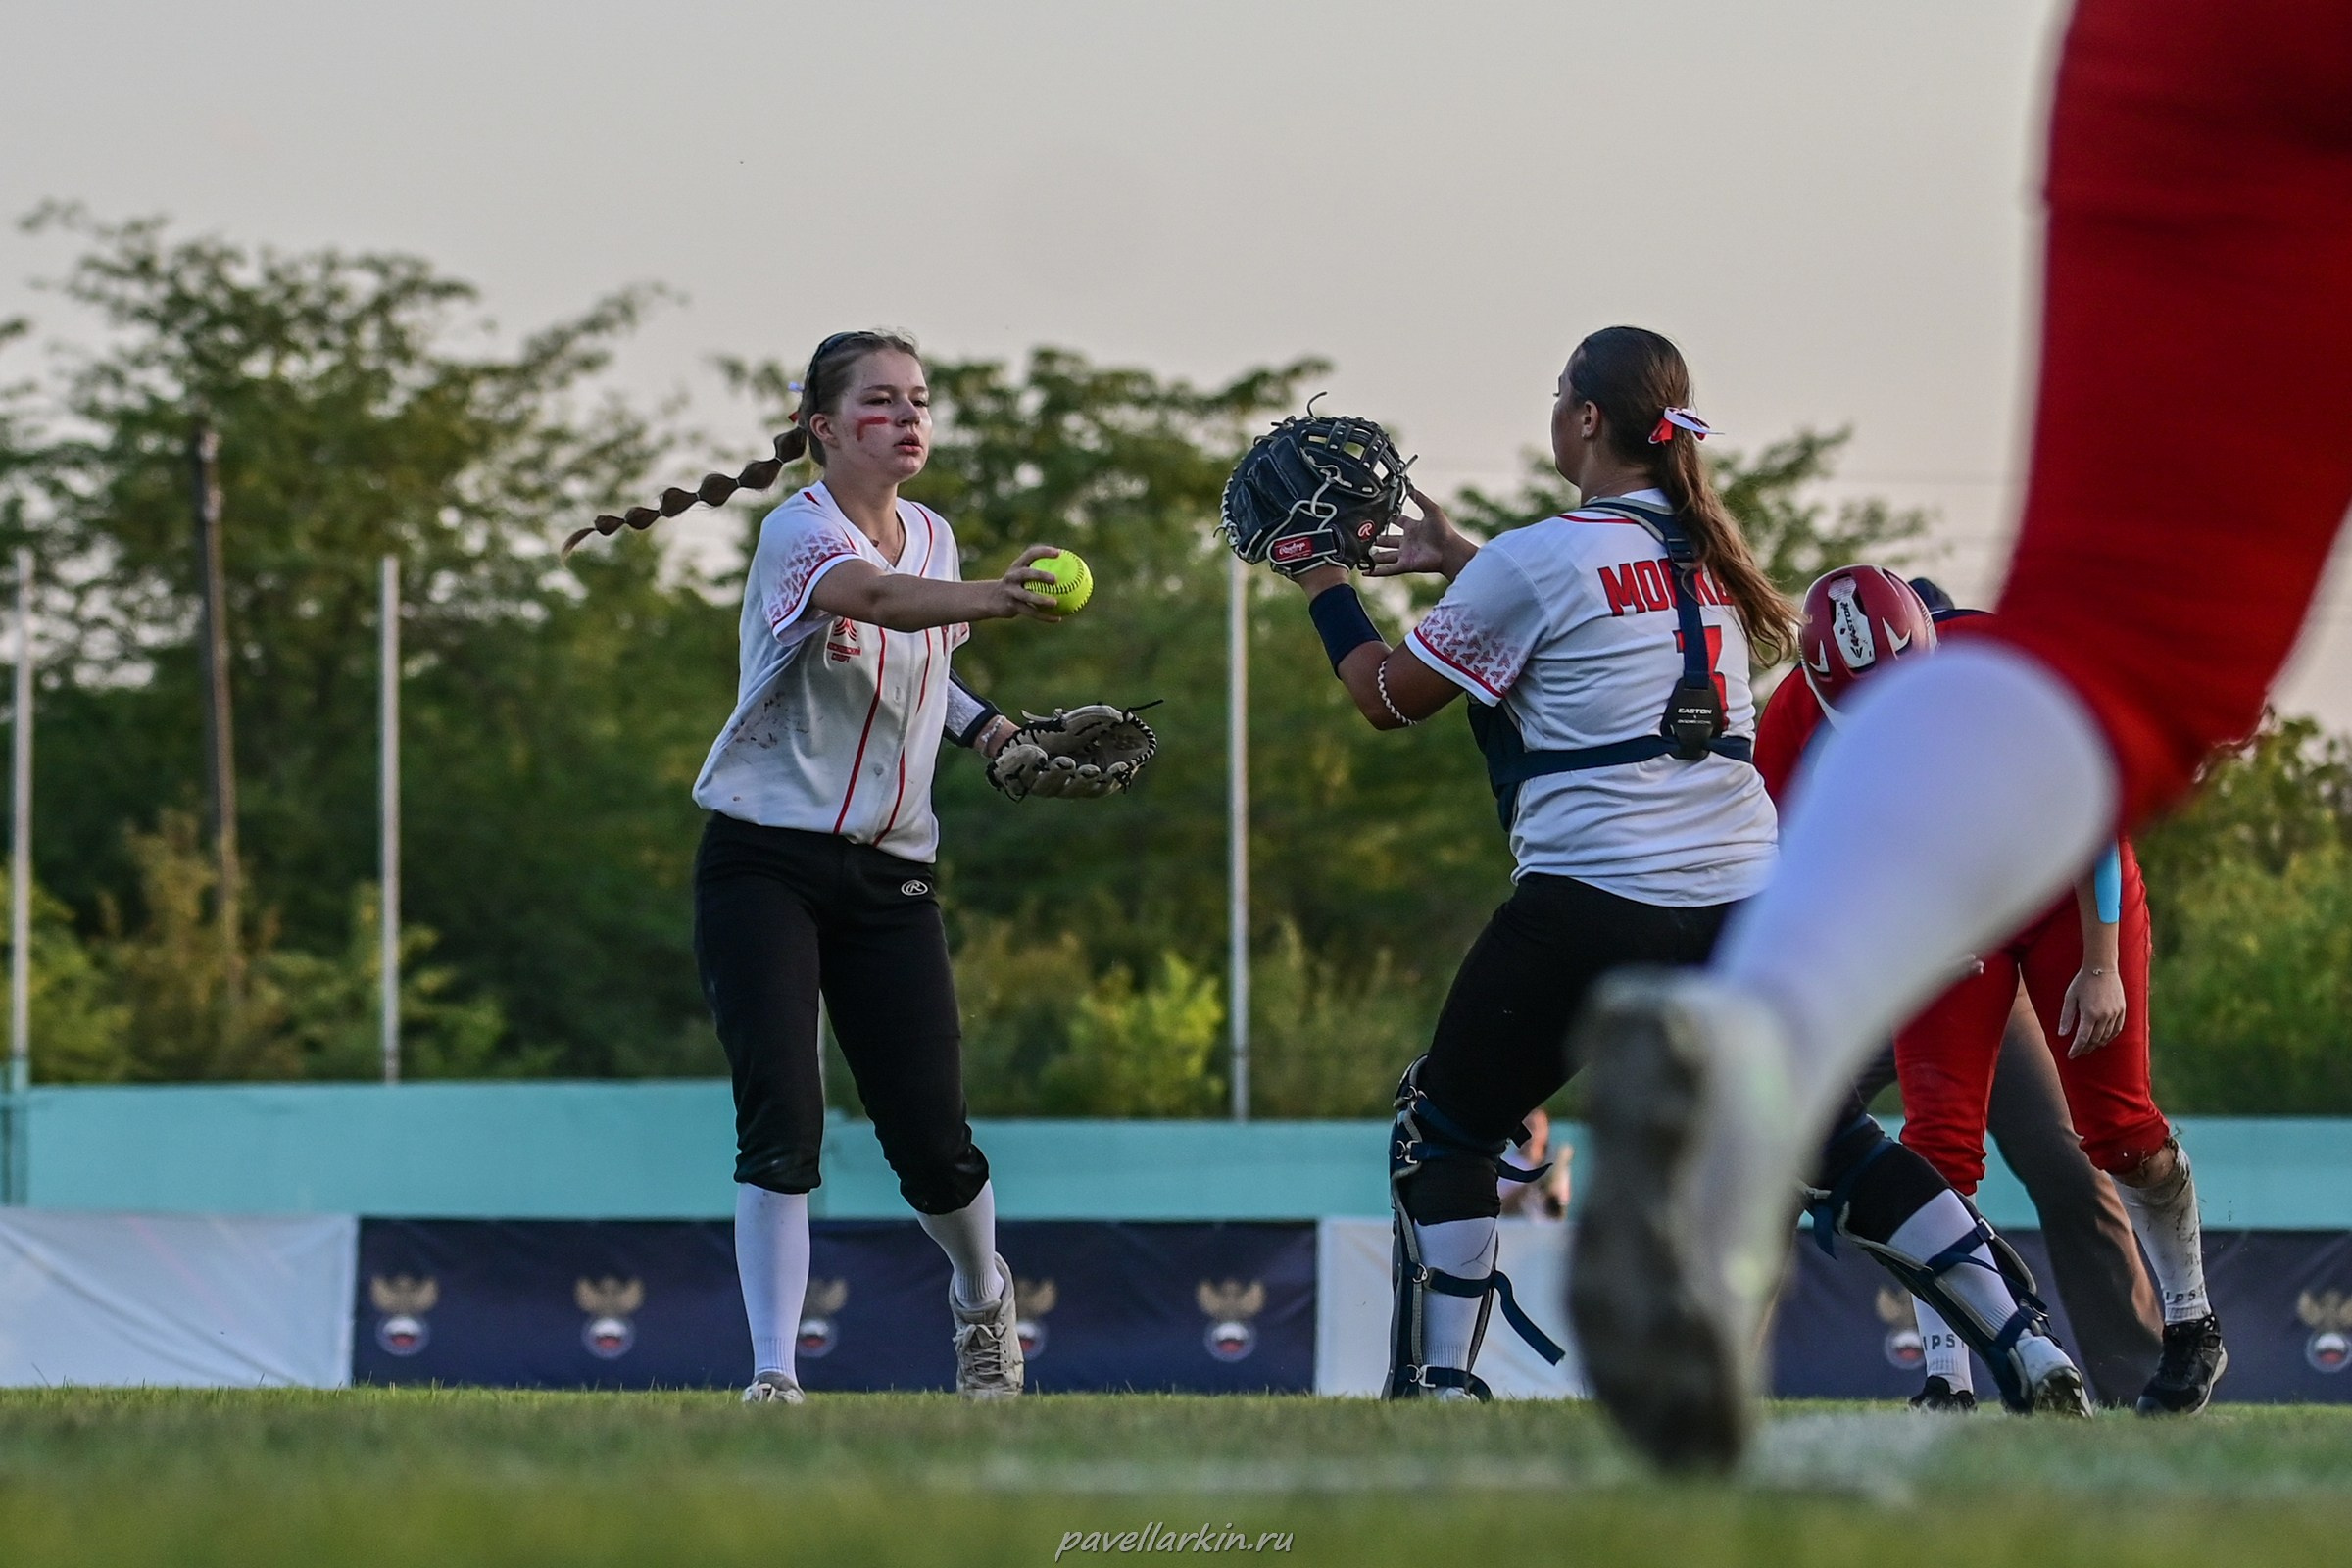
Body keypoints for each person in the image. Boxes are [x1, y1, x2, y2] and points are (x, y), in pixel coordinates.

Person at [1567, 0, 2352, 1471]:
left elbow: (2034, 819)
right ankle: (1951, 1332)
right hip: (1958, 912)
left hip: (2192, 45)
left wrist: (2085, 958)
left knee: (2120, 658)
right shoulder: (1812, 711)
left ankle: (1762, 1051)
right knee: (1953, 1135)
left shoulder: (1898, 690)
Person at [1255, 325, 2083, 1408]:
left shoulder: (1540, 556)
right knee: (1832, 1142)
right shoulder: (1711, 562)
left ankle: (1445, 1385)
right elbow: (1595, 610)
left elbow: (1383, 697)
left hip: (1594, 900)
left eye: (1561, 394)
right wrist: (1463, 558)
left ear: (1588, 419)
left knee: (1445, 1125)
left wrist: (1319, 577)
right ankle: (2028, 1343)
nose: (1554, 410)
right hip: (1745, 901)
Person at [581, 329, 1115, 1405]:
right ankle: (774, 1375)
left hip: (889, 873)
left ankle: (981, 1299)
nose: (909, 416)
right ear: (823, 428)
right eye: (881, 401)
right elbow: (875, 604)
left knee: (932, 1139)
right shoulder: (798, 533)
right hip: (762, 862)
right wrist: (1005, 600)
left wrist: (997, 736)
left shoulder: (935, 533)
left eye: (918, 399)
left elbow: (927, 668)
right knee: (782, 1114)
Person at [1761, 568, 2219, 1414]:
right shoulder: (1789, 724)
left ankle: (2191, 1322)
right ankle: (1951, 1374)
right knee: (1938, 1148)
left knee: (2118, 1134)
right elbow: (1795, 877)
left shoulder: (2010, 671)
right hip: (1940, 927)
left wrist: (2102, 961)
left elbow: (2094, 814)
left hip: (2053, 897)